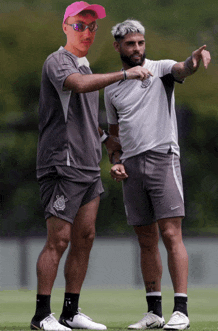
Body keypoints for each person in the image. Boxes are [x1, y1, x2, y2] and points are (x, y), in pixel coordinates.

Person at [31, 3, 152, 331]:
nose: (86, 31)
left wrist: (107, 140)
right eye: (79, 25)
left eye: (91, 26)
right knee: (59, 239)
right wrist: (126, 73)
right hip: (62, 163)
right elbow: (80, 86)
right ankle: (42, 315)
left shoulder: (85, 65)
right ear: (66, 27)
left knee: (85, 236)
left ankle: (71, 312)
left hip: (87, 165)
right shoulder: (59, 62)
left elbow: (85, 117)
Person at [104, 19, 211, 330]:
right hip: (132, 167)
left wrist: (192, 62)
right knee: (145, 239)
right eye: (130, 44)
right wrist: (115, 159)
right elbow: (115, 136)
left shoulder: (161, 68)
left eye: (140, 43)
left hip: (163, 159)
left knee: (170, 234)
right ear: (118, 47)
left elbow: (181, 69)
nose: (137, 49)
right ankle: (154, 311)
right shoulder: (111, 87)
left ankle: (181, 311)